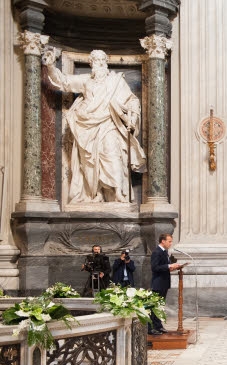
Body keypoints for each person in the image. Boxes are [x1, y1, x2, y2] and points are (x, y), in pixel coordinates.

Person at [43, 48, 147, 203]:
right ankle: (94, 193)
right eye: (96, 61)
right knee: (89, 163)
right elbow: (64, 82)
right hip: (86, 126)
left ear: (106, 63)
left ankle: (119, 192)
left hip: (108, 124)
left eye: (102, 60)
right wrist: (50, 66)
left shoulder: (116, 82)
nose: (99, 64)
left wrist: (132, 115)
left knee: (113, 155)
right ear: (91, 64)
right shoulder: (86, 81)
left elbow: (132, 100)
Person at [150, 233, 182, 335]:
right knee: (155, 306)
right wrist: (169, 266)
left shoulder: (164, 252)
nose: (171, 243)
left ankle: (158, 326)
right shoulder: (157, 252)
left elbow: (163, 267)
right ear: (163, 241)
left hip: (163, 282)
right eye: (169, 241)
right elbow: (154, 268)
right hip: (158, 283)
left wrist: (171, 267)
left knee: (160, 306)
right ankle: (151, 328)